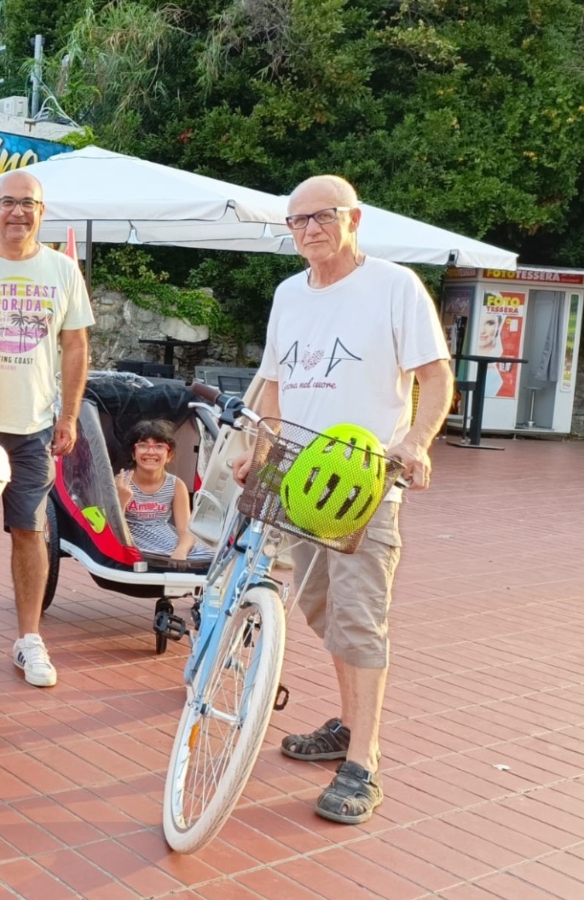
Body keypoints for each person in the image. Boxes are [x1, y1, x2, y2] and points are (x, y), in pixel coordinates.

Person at [234, 175, 451, 825]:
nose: (307, 230)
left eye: (321, 217)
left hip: (364, 478)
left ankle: (363, 761)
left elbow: (436, 380)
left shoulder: (394, 286)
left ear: (353, 218)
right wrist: (256, 447)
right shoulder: (287, 294)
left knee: (359, 616)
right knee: (321, 606)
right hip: (297, 475)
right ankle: (348, 721)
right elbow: (272, 384)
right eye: (296, 221)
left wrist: (417, 441)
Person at [0, 171, 95, 687]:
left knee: (29, 529)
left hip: (34, 425)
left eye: (29, 203)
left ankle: (29, 637)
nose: (18, 212)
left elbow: (76, 346)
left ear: (43, 211)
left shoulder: (62, 270)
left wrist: (68, 415)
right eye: (9, 202)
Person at [115, 420, 212, 564]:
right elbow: (112, 529)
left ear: (169, 456)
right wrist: (121, 501)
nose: (150, 451)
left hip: (167, 540)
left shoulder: (176, 485)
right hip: (135, 544)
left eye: (159, 446)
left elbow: (186, 530)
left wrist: (181, 551)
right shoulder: (121, 482)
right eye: (142, 445)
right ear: (133, 454)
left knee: (215, 558)